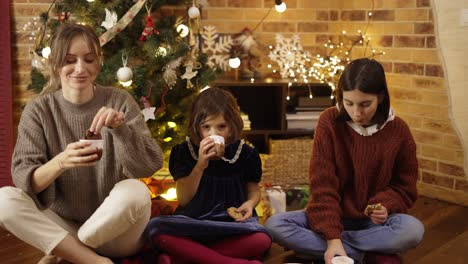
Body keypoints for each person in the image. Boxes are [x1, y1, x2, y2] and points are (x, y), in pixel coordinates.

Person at [0, 23, 164, 264]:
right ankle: (94, 261)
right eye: (69, 60)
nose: (80, 69)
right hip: (62, 223)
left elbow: (148, 166)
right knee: (4, 200)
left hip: (116, 233)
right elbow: (25, 181)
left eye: (89, 59)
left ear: (98, 62)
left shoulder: (119, 100)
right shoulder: (39, 110)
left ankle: (69, 254)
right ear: (55, 64)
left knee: (137, 191)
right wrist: (60, 162)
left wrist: (121, 130)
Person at [265, 58, 424, 264]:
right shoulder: (328, 121)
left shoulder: (398, 130)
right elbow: (323, 185)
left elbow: (405, 187)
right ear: (341, 97)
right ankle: (367, 253)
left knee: (413, 230)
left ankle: (336, 251)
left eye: (365, 104)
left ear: (381, 97)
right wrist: (332, 237)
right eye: (349, 103)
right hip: (332, 216)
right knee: (275, 224)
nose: (357, 113)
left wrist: (385, 205)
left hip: (372, 224)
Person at [146, 87, 272, 264]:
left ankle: (184, 258)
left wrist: (250, 204)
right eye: (206, 127)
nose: (214, 134)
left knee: (263, 240)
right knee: (157, 230)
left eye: (221, 126)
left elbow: (253, 191)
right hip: (193, 223)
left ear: (232, 126)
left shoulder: (246, 153)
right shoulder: (184, 152)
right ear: (197, 128)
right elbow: (183, 199)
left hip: (231, 226)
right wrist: (200, 165)